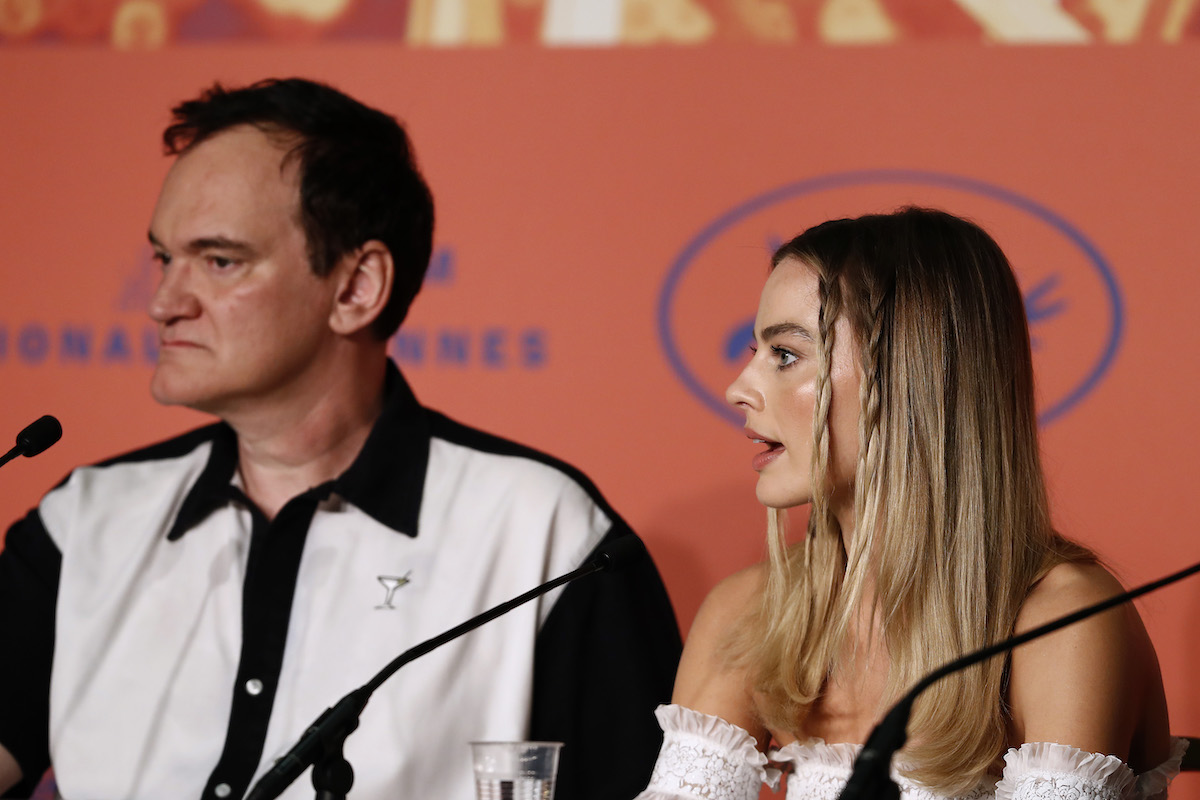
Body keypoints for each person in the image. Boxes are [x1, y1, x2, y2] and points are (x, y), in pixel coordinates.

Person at [0, 77, 681, 800]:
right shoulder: (87, 520)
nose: (164, 302)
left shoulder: (545, 534)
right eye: (165, 259)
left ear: (356, 288)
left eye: (220, 260)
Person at [637, 208, 1182, 800]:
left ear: (902, 377)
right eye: (754, 352)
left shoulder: (1061, 619)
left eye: (785, 355)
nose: (738, 388)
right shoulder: (751, 609)